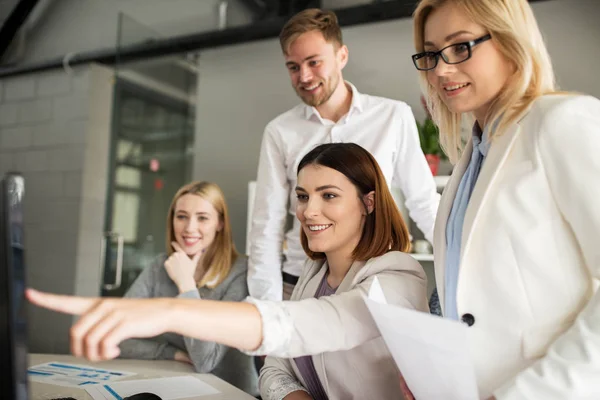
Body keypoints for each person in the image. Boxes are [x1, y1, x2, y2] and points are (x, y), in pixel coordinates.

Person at [27, 143, 429, 400]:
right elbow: (275, 368)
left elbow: (315, 325)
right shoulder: (312, 274)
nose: (308, 211)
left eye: (329, 196)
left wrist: (171, 309)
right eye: (303, 196)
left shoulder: (398, 275)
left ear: (369, 202)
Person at [411, 0, 600, 398]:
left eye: (460, 46)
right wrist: (431, 371)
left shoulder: (563, 122)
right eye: (430, 54)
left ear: (511, 41)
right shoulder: (472, 159)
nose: (442, 69)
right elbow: (469, 305)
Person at [249, 8, 440, 301]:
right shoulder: (279, 131)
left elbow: (424, 201)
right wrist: (266, 309)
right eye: (293, 67)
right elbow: (267, 223)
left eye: (314, 62)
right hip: (301, 281)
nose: (304, 76)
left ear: (342, 56)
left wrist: (459, 266)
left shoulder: (392, 116)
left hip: (373, 281)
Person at [116, 181, 258, 395]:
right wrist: (171, 353)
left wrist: (186, 285)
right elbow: (115, 334)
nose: (190, 228)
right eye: (181, 216)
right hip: (179, 387)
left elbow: (205, 360)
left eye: (202, 218)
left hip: (231, 394)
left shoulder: (241, 272)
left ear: (220, 223)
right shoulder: (160, 266)